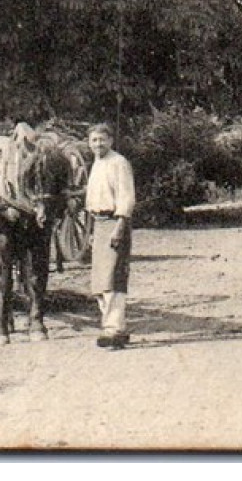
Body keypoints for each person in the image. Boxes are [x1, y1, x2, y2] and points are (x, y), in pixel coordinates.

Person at [84, 123, 135, 349]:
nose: (98, 144)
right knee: (100, 281)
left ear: (111, 141)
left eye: (102, 140)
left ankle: (113, 329)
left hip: (115, 222)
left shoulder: (119, 163)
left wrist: (120, 226)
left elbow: (126, 196)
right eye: (94, 140)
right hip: (99, 223)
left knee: (114, 278)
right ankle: (117, 328)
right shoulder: (96, 163)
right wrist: (92, 231)